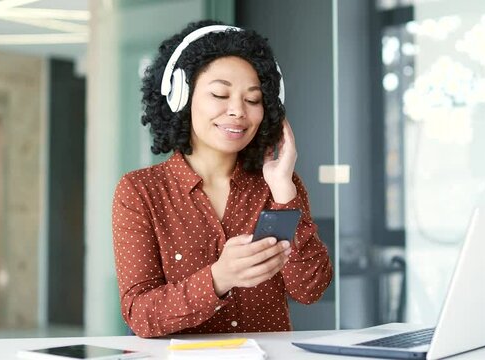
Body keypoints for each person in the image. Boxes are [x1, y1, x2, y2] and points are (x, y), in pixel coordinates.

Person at [112, 20, 332, 338]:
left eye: (253, 100)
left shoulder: (279, 185)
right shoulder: (140, 192)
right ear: (180, 97)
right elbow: (140, 315)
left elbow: (310, 289)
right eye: (219, 94)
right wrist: (218, 278)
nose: (237, 111)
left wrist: (283, 188)